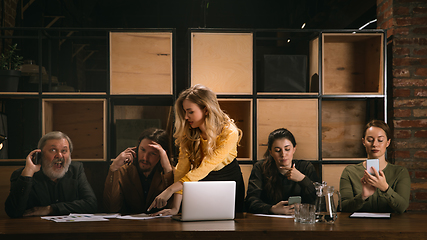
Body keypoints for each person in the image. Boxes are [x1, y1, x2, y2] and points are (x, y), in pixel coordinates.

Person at [148, 84, 245, 215]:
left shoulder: (229, 132)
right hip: (200, 178)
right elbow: (182, 169)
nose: (186, 117)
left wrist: (169, 190)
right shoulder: (188, 133)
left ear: (206, 109)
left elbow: (206, 166)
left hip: (229, 180)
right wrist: (175, 208)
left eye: (190, 111)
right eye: (185, 112)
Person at [5, 131, 97, 218]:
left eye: (64, 151)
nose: (59, 155)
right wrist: (28, 173)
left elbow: (91, 204)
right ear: (40, 154)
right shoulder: (23, 174)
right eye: (53, 150)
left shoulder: (76, 170)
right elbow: (13, 212)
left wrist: (51, 209)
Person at [340, 119, 410, 213]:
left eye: (380, 140)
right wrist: (363, 196)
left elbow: (402, 207)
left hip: (392, 226)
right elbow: (343, 208)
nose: (375, 144)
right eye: (370, 140)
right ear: (363, 142)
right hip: (358, 226)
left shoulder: (400, 172)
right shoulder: (350, 172)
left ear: (388, 143)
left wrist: (385, 188)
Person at [245, 128, 319, 215]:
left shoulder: (306, 167)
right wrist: (272, 209)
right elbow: (251, 201)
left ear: (294, 149)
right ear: (271, 152)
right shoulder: (260, 168)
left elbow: (319, 202)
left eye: (287, 149)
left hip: (300, 222)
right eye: (277, 150)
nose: (283, 154)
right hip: (268, 223)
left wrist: (302, 179)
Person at [103, 128, 174, 214]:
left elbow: (171, 208)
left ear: (162, 155)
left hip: (159, 225)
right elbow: (111, 207)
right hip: (128, 225)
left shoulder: (169, 172)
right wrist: (114, 168)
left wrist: (167, 170)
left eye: (152, 153)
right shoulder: (124, 170)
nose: (145, 158)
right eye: (142, 150)